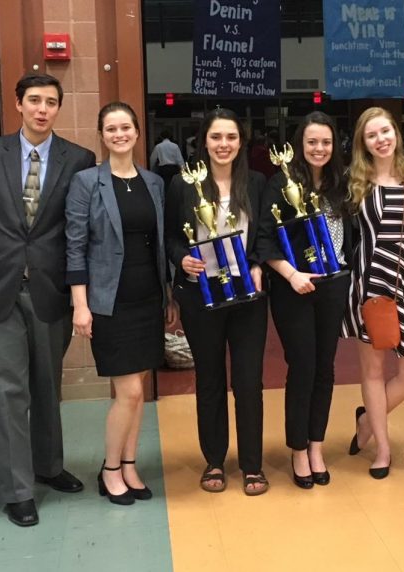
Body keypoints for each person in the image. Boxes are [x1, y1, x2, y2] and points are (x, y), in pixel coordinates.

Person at [0, 74, 96, 526]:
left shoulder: (80, 159)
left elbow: (81, 232)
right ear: (18, 104)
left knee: (48, 385)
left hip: (50, 288)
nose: (42, 109)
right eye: (34, 100)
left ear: (58, 109)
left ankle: (49, 466)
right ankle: (17, 489)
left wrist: (82, 292)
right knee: (8, 391)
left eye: (51, 102)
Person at [66, 102, 177, 505]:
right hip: (108, 303)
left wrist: (168, 294)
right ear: (102, 134)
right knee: (127, 392)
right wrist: (80, 304)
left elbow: (160, 243)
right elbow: (75, 246)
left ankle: (130, 464)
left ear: (136, 132)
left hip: (148, 297)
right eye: (111, 128)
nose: (119, 134)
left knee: (138, 388)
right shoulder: (85, 182)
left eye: (126, 126)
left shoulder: (153, 182)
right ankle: (110, 468)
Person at [165, 108, 269, 495]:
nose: (223, 145)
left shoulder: (257, 183)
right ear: (203, 141)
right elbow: (172, 237)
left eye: (230, 137)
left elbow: (265, 234)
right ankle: (214, 460)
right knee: (209, 378)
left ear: (241, 142)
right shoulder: (183, 185)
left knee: (248, 381)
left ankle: (252, 465)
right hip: (200, 294)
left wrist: (258, 263)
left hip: (248, 295)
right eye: (216, 137)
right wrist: (182, 259)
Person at [256, 111, 352, 489]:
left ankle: (316, 445)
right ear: (300, 145)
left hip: (333, 284)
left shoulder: (339, 184)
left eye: (326, 142)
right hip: (293, 287)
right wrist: (291, 275)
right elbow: (264, 238)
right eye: (312, 142)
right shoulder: (279, 183)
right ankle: (297, 449)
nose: (319, 148)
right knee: (303, 367)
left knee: (325, 368)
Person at [341, 107, 404, 479]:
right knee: (373, 371)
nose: (381, 139)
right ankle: (382, 446)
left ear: (396, 133)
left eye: (386, 131)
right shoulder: (353, 181)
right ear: (363, 143)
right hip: (369, 277)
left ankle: (366, 421)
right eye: (371, 135)